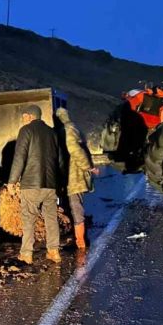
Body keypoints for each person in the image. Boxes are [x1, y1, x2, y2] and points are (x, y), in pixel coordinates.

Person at [8, 105, 63, 264]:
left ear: (30, 116)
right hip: (50, 184)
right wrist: (59, 183)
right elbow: (60, 161)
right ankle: (53, 251)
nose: (23, 119)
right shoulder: (52, 133)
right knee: (51, 219)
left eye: (24, 116)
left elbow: (20, 157)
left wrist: (12, 181)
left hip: (31, 184)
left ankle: (26, 254)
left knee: (29, 219)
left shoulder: (26, 131)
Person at [55, 107, 99, 250]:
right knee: (76, 206)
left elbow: (72, 149)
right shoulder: (71, 128)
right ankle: (80, 241)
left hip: (69, 175)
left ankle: (80, 242)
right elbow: (76, 149)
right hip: (74, 175)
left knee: (74, 206)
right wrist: (88, 166)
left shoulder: (62, 130)